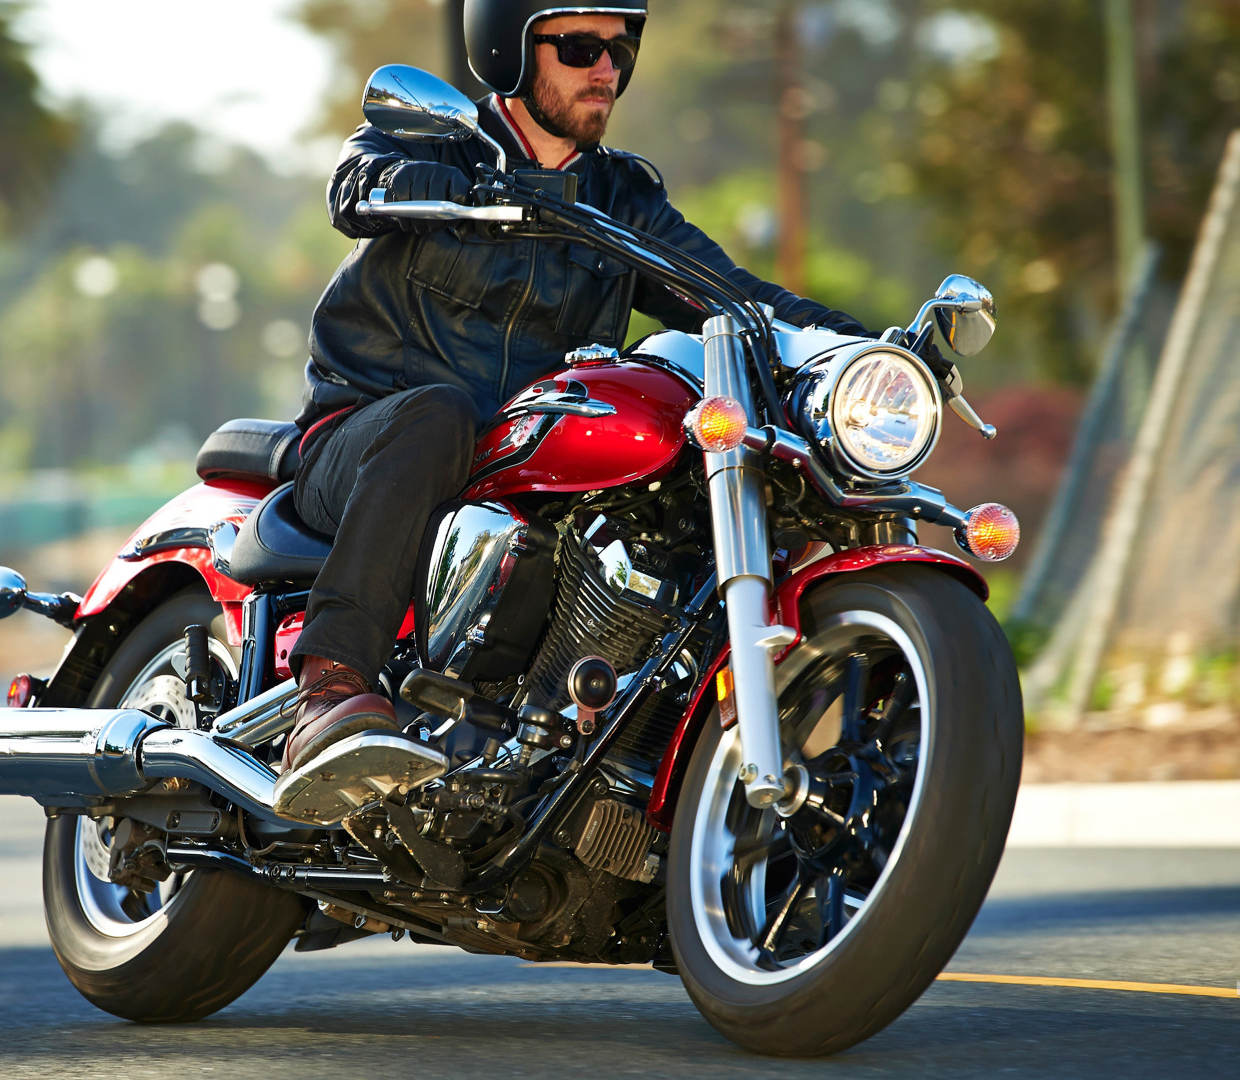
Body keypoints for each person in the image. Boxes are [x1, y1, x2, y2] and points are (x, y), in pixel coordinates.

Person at [275, 0, 887, 796]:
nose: (606, 69)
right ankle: (328, 688)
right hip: (368, 433)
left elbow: (736, 297)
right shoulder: (438, 143)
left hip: (515, 457)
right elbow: (355, 184)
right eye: (578, 47)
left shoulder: (621, 198)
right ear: (509, 47)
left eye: (619, 51)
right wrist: (419, 182)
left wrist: (866, 352)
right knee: (437, 413)